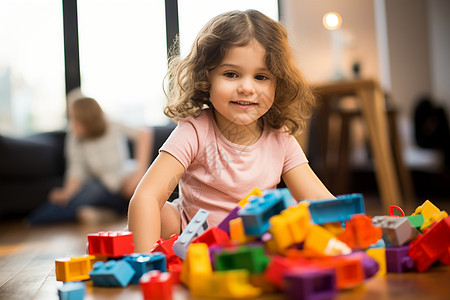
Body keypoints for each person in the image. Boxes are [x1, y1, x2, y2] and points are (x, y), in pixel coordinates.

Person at [128, 10, 334, 252]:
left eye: (261, 76)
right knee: (161, 214)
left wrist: (357, 234)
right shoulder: (194, 129)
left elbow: (319, 200)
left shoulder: (281, 137)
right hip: (192, 244)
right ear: (206, 77)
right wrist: (146, 263)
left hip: (254, 245)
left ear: (278, 82)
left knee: (299, 219)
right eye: (231, 74)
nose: (247, 87)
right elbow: (146, 196)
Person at [28, 96, 152, 225]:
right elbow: (75, 171)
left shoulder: (112, 125)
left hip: (124, 183)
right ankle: (38, 219)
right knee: (87, 193)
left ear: (88, 120)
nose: (72, 125)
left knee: (139, 189)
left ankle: (107, 213)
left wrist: (139, 174)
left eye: (75, 120)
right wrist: (66, 193)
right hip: (102, 188)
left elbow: (144, 134)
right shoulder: (74, 138)